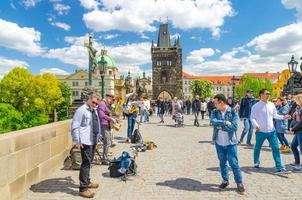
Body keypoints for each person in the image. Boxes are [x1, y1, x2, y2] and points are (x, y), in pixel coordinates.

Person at [250, 89, 291, 174]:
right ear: (261, 95)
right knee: (257, 148)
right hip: (261, 131)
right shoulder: (256, 106)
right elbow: (252, 118)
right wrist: (256, 125)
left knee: (276, 149)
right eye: (266, 93)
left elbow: (275, 115)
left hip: (272, 131)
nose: (268, 95)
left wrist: (284, 117)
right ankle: (256, 162)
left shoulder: (272, 104)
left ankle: (279, 167)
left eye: (269, 93)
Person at [211, 94, 245, 194]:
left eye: (216, 103)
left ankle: (239, 182)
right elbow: (213, 122)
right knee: (222, 163)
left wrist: (220, 127)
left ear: (221, 102)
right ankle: (225, 180)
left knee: (234, 163)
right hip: (219, 142)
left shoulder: (233, 111)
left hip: (231, 142)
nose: (214, 105)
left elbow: (234, 127)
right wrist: (225, 122)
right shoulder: (215, 111)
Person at [71, 93, 100, 198]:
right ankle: (83, 188)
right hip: (85, 141)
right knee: (86, 163)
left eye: (97, 103)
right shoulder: (81, 110)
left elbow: (95, 124)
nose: (95, 104)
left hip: (92, 140)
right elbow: (75, 126)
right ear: (89, 100)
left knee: (89, 162)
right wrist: (77, 141)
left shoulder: (93, 110)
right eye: (93, 102)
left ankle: (87, 182)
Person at [97, 93, 116, 165]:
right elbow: (101, 115)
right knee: (107, 142)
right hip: (103, 125)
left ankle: (105, 157)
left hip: (106, 125)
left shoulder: (105, 104)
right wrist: (110, 118)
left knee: (107, 142)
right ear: (107, 97)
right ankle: (104, 159)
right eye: (111, 99)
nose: (111, 101)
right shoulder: (102, 104)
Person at [289, 94, 302, 171]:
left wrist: (293, 128)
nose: (295, 102)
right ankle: (297, 162)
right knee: (293, 146)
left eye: (296, 100)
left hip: (300, 131)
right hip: (298, 131)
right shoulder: (299, 108)